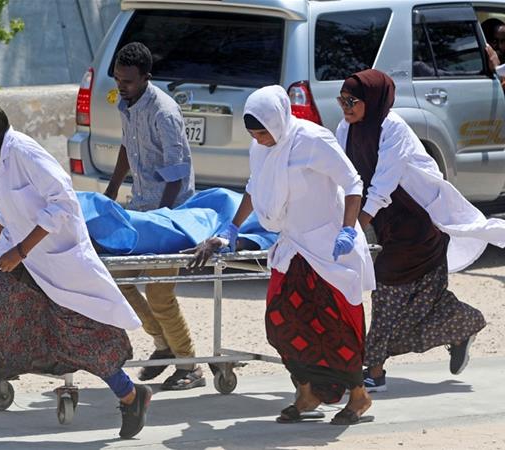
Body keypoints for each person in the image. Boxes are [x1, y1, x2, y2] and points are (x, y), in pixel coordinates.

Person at [0, 97, 151, 447]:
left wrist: (21, 250)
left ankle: (130, 396)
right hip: (18, 262)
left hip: (53, 260)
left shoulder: (25, 153)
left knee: (79, 335)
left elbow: (63, 202)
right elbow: (9, 212)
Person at [189, 85, 376, 425]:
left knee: (337, 325)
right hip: (292, 247)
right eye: (253, 134)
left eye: (263, 132)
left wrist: (348, 230)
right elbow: (253, 186)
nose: (259, 139)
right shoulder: (260, 149)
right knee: (281, 322)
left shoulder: (313, 140)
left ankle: (358, 396)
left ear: (278, 121)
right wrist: (229, 229)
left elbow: (352, 182)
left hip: (328, 246)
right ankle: (308, 393)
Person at [336, 69, 504, 392]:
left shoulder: (393, 128)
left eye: (352, 100)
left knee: (385, 287)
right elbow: (345, 177)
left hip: (417, 225)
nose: (345, 106)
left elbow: (383, 184)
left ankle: (375, 371)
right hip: (388, 225)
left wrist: (353, 227)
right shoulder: (346, 128)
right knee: (419, 306)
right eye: (341, 99)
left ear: (372, 100)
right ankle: (462, 324)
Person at [104, 41, 204, 390]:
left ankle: (189, 366)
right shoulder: (127, 103)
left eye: (128, 81)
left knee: (161, 296)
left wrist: (164, 217)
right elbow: (128, 146)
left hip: (169, 214)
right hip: (140, 209)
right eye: (117, 79)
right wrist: (113, 189)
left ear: (146, 77)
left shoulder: (164, 112)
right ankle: (164, 347)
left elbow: (176, 173)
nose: (121, 86)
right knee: (119, 279)